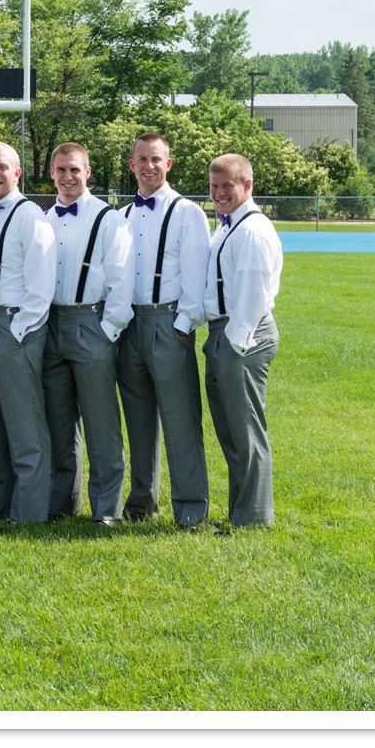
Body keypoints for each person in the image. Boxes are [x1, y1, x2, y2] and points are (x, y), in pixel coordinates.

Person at [115, 133, 212, 529]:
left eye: (157, 159)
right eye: (142, 159)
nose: (149, 166)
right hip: (129, 326)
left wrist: (183, 327)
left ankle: (189, 507)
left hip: (168, 323)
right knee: (138, 420)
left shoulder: (187, 212)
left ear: (168, 164)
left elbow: (196, 275)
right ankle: (142, 501)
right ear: (132, 165)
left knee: (179, 420)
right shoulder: (122, 214)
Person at [41, 142, 133, 526]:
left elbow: (122, 280)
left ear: (88, 172)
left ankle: (106, 508)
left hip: (90, 323)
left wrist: (107, 331)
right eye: (61, 169)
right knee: (58, 421)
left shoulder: (108, 218)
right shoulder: (43, 217)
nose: (68, 176)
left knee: (101, 421)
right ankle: (63, 501)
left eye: (75, 169)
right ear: (51, 174)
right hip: (50, 325)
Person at [0, 143, 56, 523]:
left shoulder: (31, 216)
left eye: (2, 167)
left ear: (17, 172)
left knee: (24, 423)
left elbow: (41, 282)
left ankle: (30, 511)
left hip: (14, 325)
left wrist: (20, 328)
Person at [201, 153, 283, 529]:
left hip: (241, 336)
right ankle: (241, 511)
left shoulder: (251, 228)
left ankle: (253, 518)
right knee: (233, 429)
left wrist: (233, 345)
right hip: (226, 333)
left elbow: (252, 295)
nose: (219, 193)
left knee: (246, 429)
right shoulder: (229, 224)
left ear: (247, 186)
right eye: (214, 186)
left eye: (227, 186)